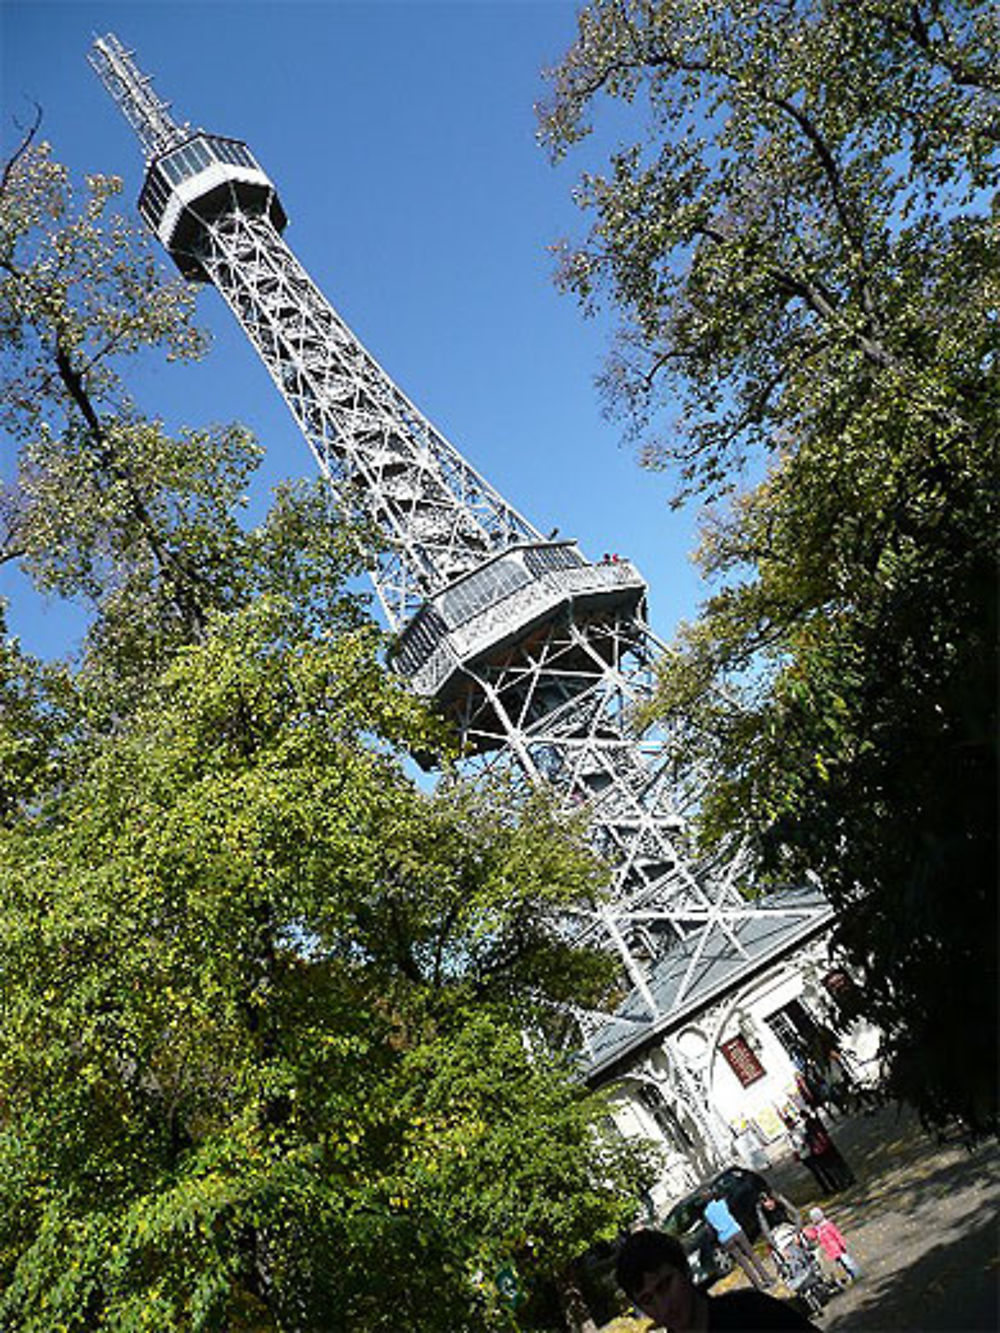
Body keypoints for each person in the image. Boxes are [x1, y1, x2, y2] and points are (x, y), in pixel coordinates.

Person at [615, 1229, 820, 1331]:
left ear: (685, 1271)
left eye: (665, 1285)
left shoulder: (754, 1313)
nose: (664, 1306)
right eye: (648, 1300)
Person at [702, 1189, 773, 1291]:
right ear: (712, 1196)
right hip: (736, 1231)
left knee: (743, 1263)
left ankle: (758, 1285)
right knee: (751, 1255)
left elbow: (710, 1229)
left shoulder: (706, 1213)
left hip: (725, 1238)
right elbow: (724, 1196)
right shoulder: (722, 1203)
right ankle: (766, 1278)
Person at [804, 1205, 861, 1285]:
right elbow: (813, 1235)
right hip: (831, 1251)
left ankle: (857, 1274)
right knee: (840, 1265)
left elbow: (836, 1234)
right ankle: (850, 1276)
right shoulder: (818, 1229)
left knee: (847, 1262)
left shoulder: (827, 1225)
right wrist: (806, 1232)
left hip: (838, 1248)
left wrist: (842, 1244)